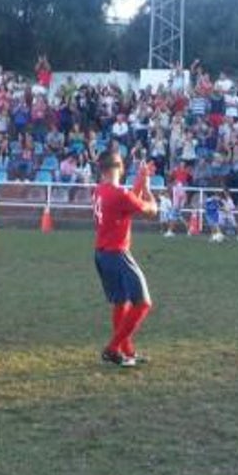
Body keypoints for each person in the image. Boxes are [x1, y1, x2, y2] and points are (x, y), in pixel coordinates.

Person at [92, 149, 158, 368]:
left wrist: (141, 179)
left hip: (102, 255)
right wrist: (148, 190)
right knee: (143, 303)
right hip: (117, 254)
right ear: (119, 168)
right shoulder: (119, 194)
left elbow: (128, 200)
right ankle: (113, 348)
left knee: (121, 302)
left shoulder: (100, 190)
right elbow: (151, 211)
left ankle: (125, 351)